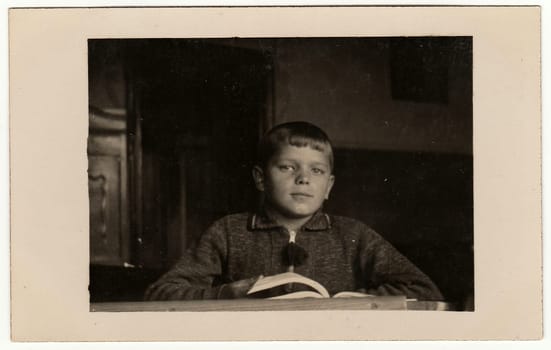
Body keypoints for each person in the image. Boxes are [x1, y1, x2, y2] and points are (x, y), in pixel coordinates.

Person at [144, 121, 443, 301]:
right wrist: (225, 294)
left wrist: (356, 304)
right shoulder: (228, 232)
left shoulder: (353, 234)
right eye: (288, 167)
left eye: (317, 170)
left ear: (328, 186)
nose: (303, 179)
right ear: (261, 178)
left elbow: (423, 289)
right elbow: (161, 293)